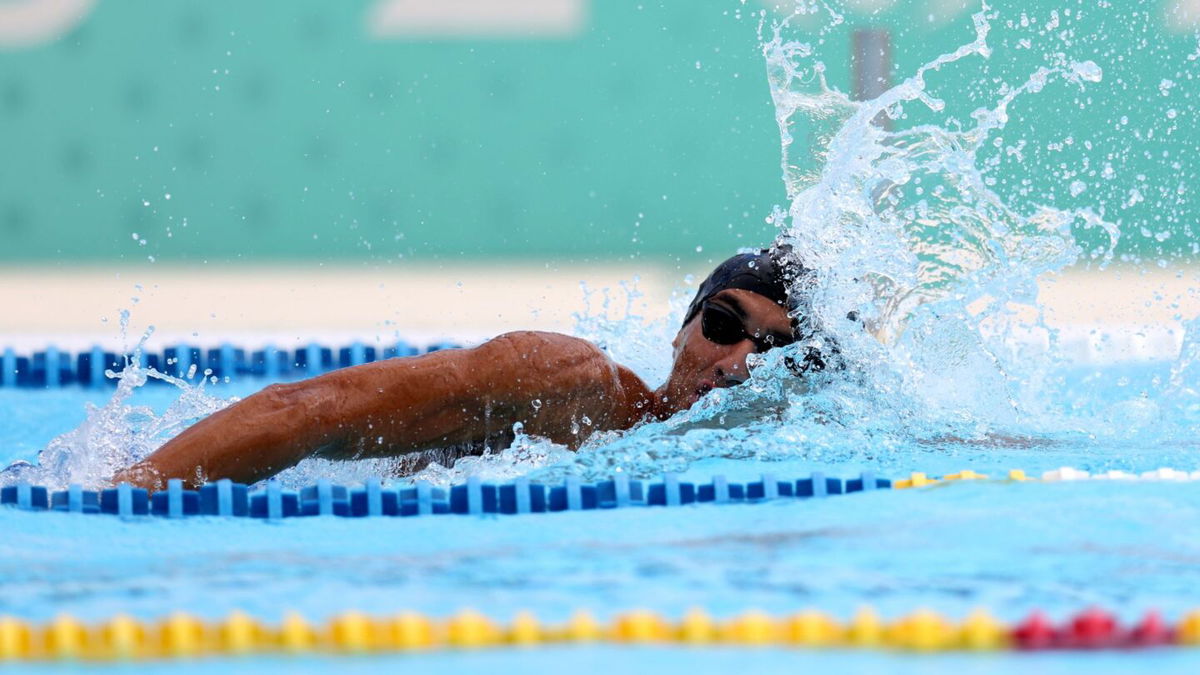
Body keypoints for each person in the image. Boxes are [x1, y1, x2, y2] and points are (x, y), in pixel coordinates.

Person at [112, 247, 829, 490]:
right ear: (683, 326)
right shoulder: (568, 382)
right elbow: (314, 408)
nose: (737, 363)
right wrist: (121, 496)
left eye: (771, 348)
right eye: (725, 325)